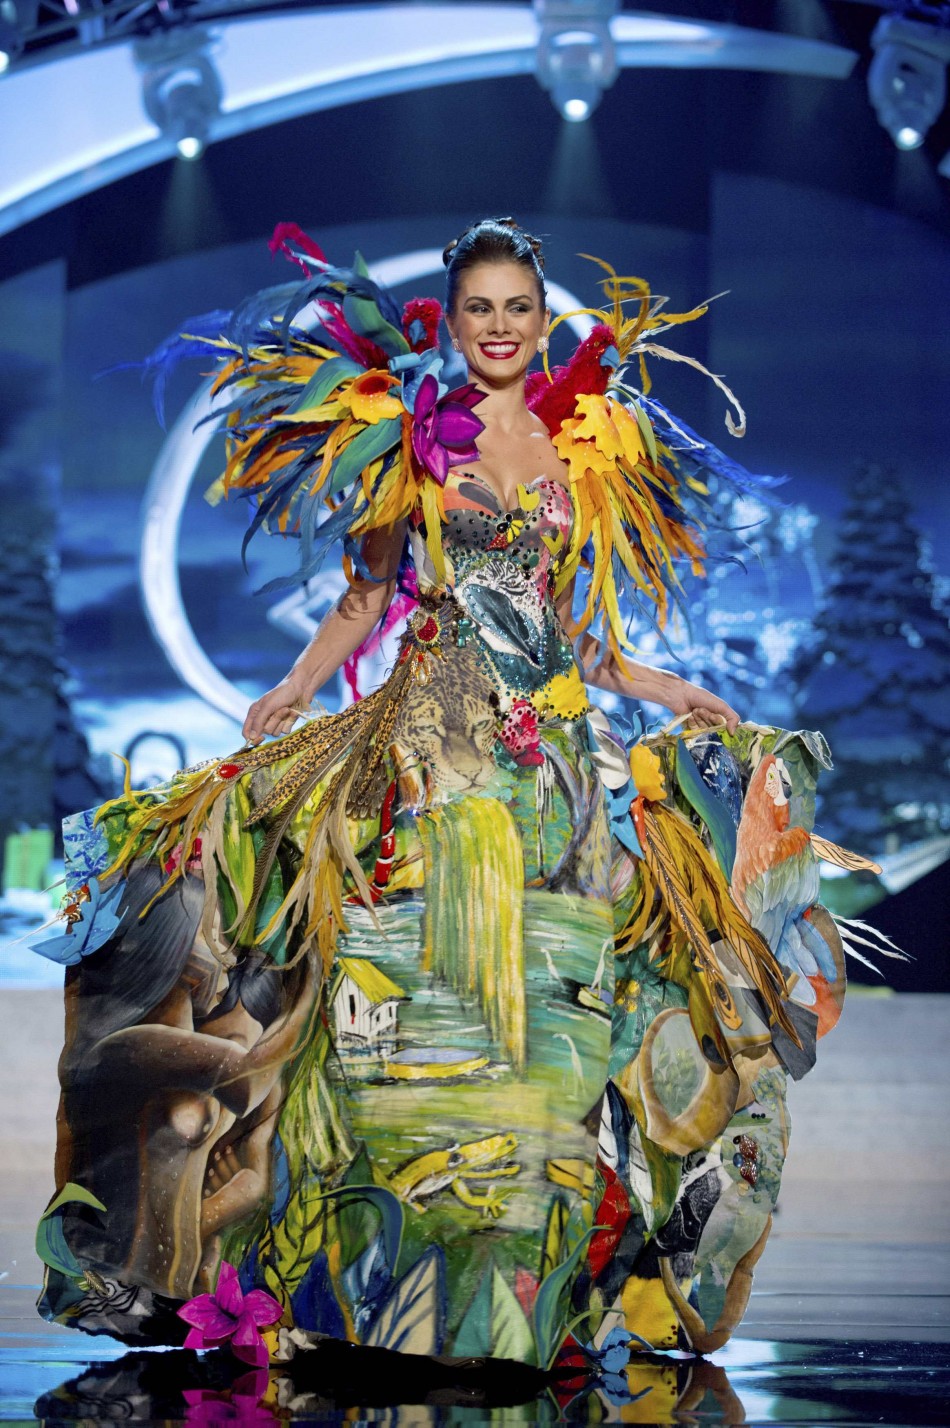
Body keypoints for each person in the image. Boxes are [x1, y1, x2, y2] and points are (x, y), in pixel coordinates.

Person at [37, 218, 864, 1380]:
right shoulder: (411, 440)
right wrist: (289, 688)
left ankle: (509, 1305)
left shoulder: (588, 445)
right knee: (416, 1015)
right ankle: (384, 1291)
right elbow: (365, 597)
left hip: (554, 768)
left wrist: (672, 685)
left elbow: (585, 635)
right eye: (476, 309)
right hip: (431, 751)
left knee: (545, 1027)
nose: (497, 327)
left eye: (515, 308)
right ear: (451, 320)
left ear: (541, 318)